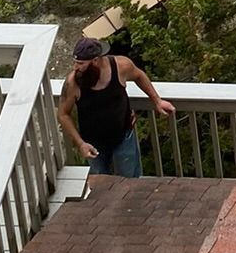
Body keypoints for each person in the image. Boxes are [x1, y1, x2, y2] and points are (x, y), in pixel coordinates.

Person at [58, 37, 173, 176]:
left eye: (81, 63)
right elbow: (63, 114)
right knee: (100, 183)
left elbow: (139, 75)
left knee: (129, 179)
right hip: (93, 142)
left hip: (123, 136)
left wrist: (157, 101)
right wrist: (80, 143)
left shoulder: (120, 66)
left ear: (95, 60)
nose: (76, 67)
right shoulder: (73, 82)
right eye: (75, 62)